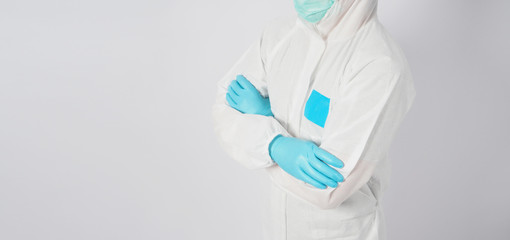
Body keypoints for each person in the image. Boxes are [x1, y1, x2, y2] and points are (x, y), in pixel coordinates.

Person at [212, 0, 416, 239]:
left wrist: (267, 142)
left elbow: (330, 187)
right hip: (275, 227)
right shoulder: (279, 35)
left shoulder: (379, 64)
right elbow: (223, 109)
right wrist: (275, 145)